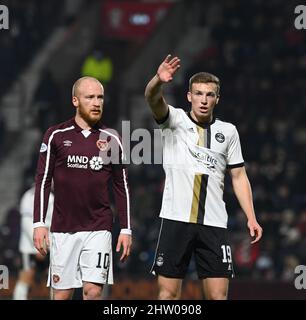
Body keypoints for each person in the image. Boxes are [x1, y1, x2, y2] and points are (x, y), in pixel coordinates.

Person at [145, 55, 263, 300]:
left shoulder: (228, 132)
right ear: (189, 96)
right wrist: (158, 80)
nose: (204, 100)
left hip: (214, 223)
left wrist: (251, 217)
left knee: (218, 297)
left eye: (210, 95)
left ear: (217, 99)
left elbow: (239, 176)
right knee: (167, 295)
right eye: (198, 93)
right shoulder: (173, 120)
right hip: (176, 218)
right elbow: (152, 98)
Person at [33, 76, 132, 300]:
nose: (97, 103)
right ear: (75, 101)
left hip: (98, 227)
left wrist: (126, 228)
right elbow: (43, 179)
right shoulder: (55, 135)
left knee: (93, 291)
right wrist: (39, 223)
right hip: (62, 229)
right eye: (90, 97)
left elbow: (121, 185)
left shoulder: (112, 139)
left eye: (100, 97)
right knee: (61, 295)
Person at [13, 185, 54, 300]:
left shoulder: (52, 197)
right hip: (30, 247)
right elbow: (26, 222)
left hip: (49, 245)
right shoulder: (29, 196)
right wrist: (39, 245)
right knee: (26, 276)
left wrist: (47, 246)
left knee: (54, 278)